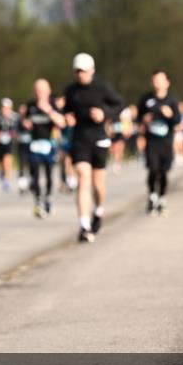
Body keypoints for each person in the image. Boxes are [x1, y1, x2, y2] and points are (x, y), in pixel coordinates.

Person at [62, 52, 124, 244]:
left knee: (98, 185)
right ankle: (84, 225)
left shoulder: (102, 87)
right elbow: (67, 110)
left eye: (83, 71)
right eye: (77, 71)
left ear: (92, 70)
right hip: (80, 140)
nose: (80, 75)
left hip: (99, 139)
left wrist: (104, 114)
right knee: (83, 178)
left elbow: (120, 105)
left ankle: (98, 210)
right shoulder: (71, 90)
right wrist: (68, 117)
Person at [137, 70, 180, 215]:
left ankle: (162, 198)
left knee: (163, 171)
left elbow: (178, 121)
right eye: (155, 80)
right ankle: (152, 196)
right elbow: (138, 118)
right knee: (153, 169)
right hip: (151, 142)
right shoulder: (146, 99)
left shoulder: (172, 100)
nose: (157, 83)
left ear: (167, 82)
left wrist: (170, 115)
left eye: (160, 80)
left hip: (166, 142)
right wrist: (144, 120)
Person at [21, 79, 66, 218]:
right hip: (34, 144)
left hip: (49, 144)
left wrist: (48, 110)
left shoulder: (53, 104)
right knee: (34, 174)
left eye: (42, 90)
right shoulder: (30, 105)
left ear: (48, 91)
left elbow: (61, 123)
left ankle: (48, 197)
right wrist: (25, 123)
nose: (39, 93)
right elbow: (24, 121)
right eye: (37, 90)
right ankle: (37, 200)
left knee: (48, 173)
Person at [0, 97, 18, 192]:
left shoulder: (15, 117)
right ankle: (2, 172)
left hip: (10, 141)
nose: (5, 110)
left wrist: (12, 135)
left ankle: (7, 180)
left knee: (7, 159)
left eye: (7, 108)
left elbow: (17, 130)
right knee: (0, 160)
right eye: (3, 107)